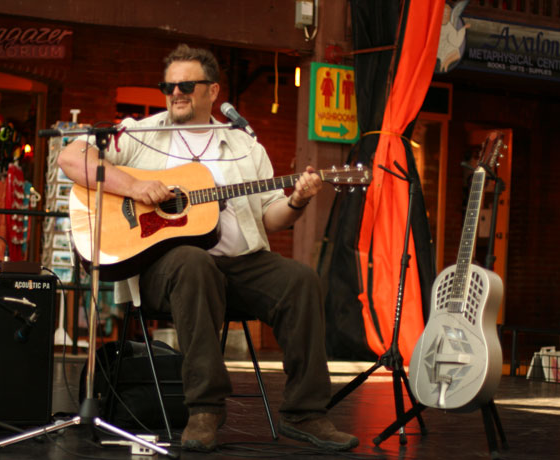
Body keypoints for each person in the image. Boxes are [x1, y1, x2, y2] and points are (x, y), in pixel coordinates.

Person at [58, 44, 359, 453]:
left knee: (300, 280)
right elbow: (71, 157)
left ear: (213, 91)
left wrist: (298, 200)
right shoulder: (141, 133)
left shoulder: (243, 145)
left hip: (241, 264)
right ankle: (204, 408)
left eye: (186, 85)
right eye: (169, 85)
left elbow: (272, 216)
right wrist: (136, 187)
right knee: (193, 263)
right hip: (166, 270)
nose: (175, 92)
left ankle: (304, 412)